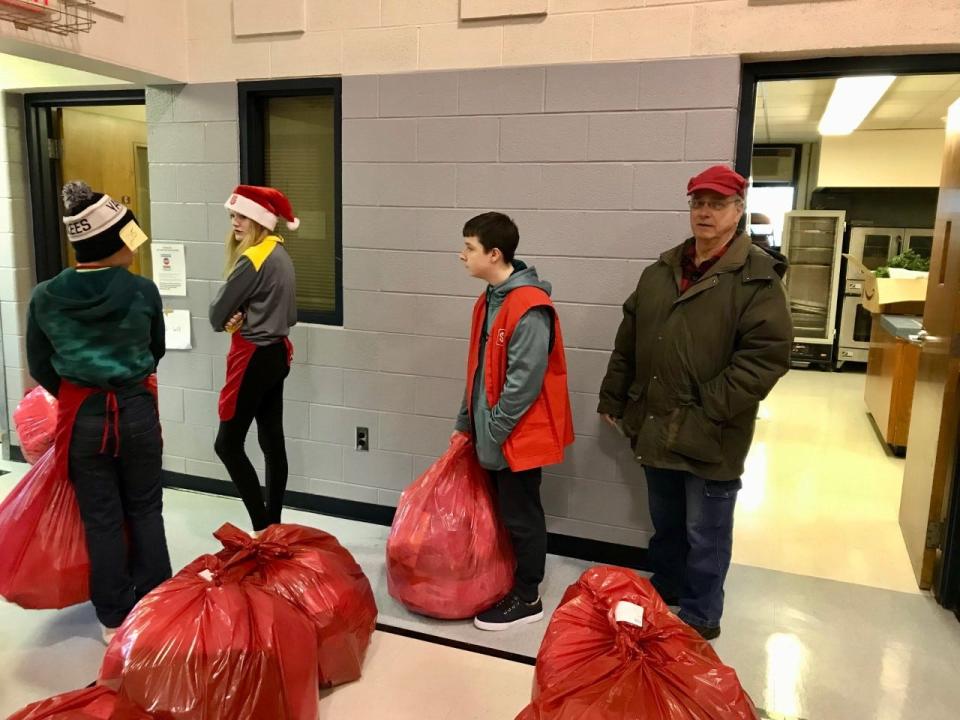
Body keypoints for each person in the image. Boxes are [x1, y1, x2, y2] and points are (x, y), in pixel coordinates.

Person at [597, 165, 792, 640]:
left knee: (707, 534)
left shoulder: (759, 280)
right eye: (698, 203)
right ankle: (668, 592)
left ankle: (702, 615)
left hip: (713, 431)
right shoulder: (659, 272)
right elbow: (629, 341)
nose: (705, 212)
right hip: (655, 422)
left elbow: (765, 358)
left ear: (738, 210)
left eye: (718, 203)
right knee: (666, 525)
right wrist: (614, 396)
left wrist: (708, 407)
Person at [26, 181, 171, 643]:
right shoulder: (143, 291)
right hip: (135, 411)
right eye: (128, 234)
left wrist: (76, 393)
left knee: (101, 517)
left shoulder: (45, 297)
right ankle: (157, 609)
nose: (135, 242)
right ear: (112, 240)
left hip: (82, 420)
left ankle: (113, 617)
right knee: (147, 509)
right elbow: (157, 350)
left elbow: (39, 365)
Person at [453, 212, 574, 631]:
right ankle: (505, 579)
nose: (462, 255)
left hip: (515, 435)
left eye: (469, 248)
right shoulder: (489, 298)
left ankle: (527, 596)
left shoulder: (529, 306)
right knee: (504, 512)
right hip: (491, 432)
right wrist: (465, 422)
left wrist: (494, 430)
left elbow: (524, 382)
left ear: (494, 253)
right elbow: (478, 368)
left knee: (522, 515)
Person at [210, 184, 298, 534]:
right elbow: (286, 313)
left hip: (254, 357)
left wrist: (233, 317)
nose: (236, 222)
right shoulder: (279, 254)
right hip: (277, 354)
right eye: (233, 215)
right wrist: (244, 313)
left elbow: (217, 315)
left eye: (243, 216)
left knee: (227, 444)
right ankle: (273, 524)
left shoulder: (254, 259)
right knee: (271, 439)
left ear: (260, 220)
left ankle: (262, 527)